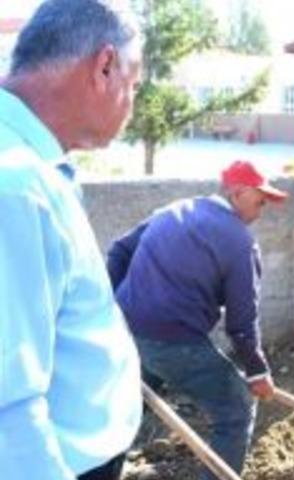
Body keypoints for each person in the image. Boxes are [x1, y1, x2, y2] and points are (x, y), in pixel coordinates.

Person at [0, 1, 143, 479]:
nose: (133, 101)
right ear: (105, 67)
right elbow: (7, 407)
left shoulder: (30, 166)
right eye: (135, 83)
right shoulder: (16, 187)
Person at [107, 160, 285, 478]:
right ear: (239, 193)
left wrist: (111, 311)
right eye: (260, 201)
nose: (261, 211)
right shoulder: (239, 242)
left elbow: (119, 251)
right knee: (237, 410)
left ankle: (100, 470)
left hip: (126, 332)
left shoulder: (174, 209)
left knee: (126, 408)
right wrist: (257, 372)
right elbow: (242, 322)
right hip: (173, 342)